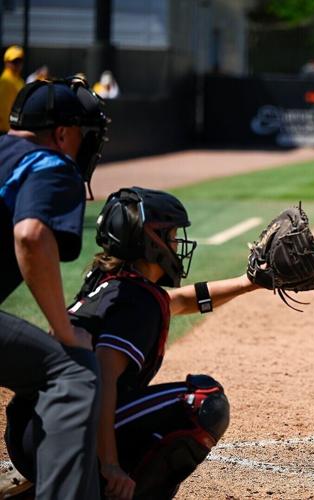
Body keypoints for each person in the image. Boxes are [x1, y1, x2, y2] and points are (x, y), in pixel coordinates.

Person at [7, 186, 264, 498]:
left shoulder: (113, 284)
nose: (176, 243)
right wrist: (110, 463)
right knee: (204, 401)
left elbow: (180, 300)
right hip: (63, 436)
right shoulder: (136, 301)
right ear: (149, 241)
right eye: (170, 235)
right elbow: (102, 377)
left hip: (35, 433)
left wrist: (249, 282)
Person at [0, 78, 109, 498]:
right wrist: (64, 330)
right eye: (82, 134)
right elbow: (30, 236)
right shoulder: (51, 162)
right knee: (72, 370)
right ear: (62, 134)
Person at [0, 46, 25, 133]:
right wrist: (10, 128)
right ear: (6, 62)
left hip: (13, 127)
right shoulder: (5, 80)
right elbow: (3, 107)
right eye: (14, 61)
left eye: (19, 61)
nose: (17, 64)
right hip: (6, 130)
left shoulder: (18, 79)